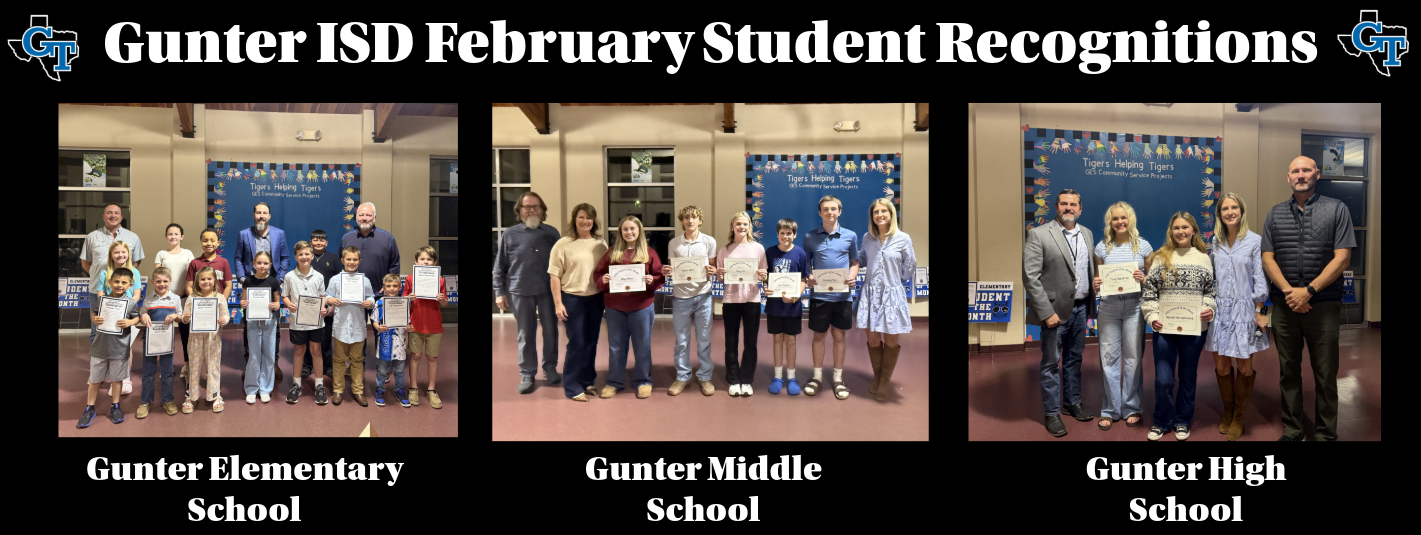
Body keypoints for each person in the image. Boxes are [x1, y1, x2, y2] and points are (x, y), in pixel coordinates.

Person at [1260, 156, 1356, 442]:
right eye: (1295, 171)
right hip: (1285, 304)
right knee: (1288, 371)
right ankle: (1293, 430)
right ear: (1288, 177)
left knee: (1326, 373)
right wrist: (1291, 293)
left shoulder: (1337, 209)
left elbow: (1343, 258)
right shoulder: (1274, 214)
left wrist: (1309, 290)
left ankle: (1326, 434)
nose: (1300, 175)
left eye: (1306, 170)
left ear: (1316, 174)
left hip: (1323, 303)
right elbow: (1268, 257)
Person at [1023, 189, 1098, 437]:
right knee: (1050, 365)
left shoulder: (1086, 233)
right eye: (1064, 204)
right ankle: (1052, 413)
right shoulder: (1039, 234)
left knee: (1074, 360)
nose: (1069, 208)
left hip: (1080, 309)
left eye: (1073, 204)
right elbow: (1030, 277)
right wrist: (1046, 312)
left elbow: (1086, 271)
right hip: (1053, 313)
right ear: (1056, 207)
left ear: (1080, 208)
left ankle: (1071, 402)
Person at [1142, 212, 1217, 442]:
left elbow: (1210, 292)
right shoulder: (1160, 256)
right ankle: (1162, 421)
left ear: (1193, 230)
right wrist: (1152, 316)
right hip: (1164, 328)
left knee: (1187, 377)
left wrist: (1209, 309)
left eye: (1185, 227)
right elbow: (1149, 293)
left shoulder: (1204, 258)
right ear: (1170, 231)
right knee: (1163, 379)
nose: (1181, 232)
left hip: (1195, 329)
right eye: (1176, 228)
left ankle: (1183, 420)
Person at [1204, 193, 1270, 441]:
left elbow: (1259, 277)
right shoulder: (1215, 242)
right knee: (1221, 366)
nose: (1230, 212)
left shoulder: (1254, 241)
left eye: (1234, 208)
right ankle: (1228, 410)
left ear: (1241, 211)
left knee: (1244, 365)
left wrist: (1260, 311)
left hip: (1245, 309)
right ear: (1219, 214)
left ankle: (1239, 416)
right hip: (1220, 311)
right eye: (1225, 209)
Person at [1090, 202, 1153, 431]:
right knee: (1108, 359)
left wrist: (1144, 278)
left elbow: (1152, 279)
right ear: (1110, 222)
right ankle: (1110, 409)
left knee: (1134, 359)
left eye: (1123, 218)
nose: (1120, 222)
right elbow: (1098, 280)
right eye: (1115, 219)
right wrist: (1096, 283)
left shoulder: (1144, 247)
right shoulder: (1101, 248)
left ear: (1130, 220)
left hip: (1135, 306)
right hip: (1109, 307)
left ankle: (1131, 407)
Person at [493, 193, 562, 393]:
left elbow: (561, 264)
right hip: (519, 290)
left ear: (542, 210)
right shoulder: (510, 234)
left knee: (551, 331)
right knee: (525, 333)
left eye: (535, 207)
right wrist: (499, 292)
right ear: (519, 210)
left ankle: (550, 368)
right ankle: (527, 373)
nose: (531, 210)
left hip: (548, 291)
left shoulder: (552, 233)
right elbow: (500, 266)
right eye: (527, 207)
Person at [592, 215, 665, 399]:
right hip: (615, 308)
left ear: (639, 231)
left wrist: (652, 280)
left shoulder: (649, 253)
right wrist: (603, 280)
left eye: (632, 229)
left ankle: (644, 381)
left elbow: (659, 277)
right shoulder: (612, 253)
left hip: (641, 307)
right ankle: (614, 382)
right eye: (625, 229)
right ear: (620, 232)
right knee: (616, 346)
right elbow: (598, 275)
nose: (629, 232)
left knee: (642, 346)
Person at [856, 198, 916, 401]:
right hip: (870, 294)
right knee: (872, 338)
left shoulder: (903, 238)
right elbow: (862, 259)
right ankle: (877, 376)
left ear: (891, 214)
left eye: (884, 211)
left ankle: (885, 380)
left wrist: (897, 280)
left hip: (892, 295)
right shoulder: (867, 237)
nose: (879, 215)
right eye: (876, 212)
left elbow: (910, 266)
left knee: (891, 339)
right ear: (872, 217)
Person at [548, 205, 609, 402]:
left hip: (596, 298)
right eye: (581, 217)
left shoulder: (600, 243)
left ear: (594, 221)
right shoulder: (563, 244)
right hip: (572, 299)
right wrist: (558, 303)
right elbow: (554, 275)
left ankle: (587, 380)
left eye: (589, 218)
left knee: (591, 342)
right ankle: (572, 386)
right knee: (577, 342)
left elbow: (608, 270)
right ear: (575, 219)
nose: (585, 221)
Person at [802, 195, 860, 399]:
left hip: (842, 297)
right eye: (825, 209)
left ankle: (838, 379)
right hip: (819, 296)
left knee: (839, 336)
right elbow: (806, 262)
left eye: (833, 209)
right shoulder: (810, 237)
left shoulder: (850, 236)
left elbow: (855, 261)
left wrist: (852, 277)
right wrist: (808, 275)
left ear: (839, 211)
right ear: (820, 213)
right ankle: (817, 376)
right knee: (819, 336)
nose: (830, 212)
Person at [662, 206, 718, 396]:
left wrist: (713, 270)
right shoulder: (674, 243)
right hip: (681, 297)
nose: (690, 220)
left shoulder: (709, 241)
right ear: (682, 221)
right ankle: (682, 376)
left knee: (704, 339)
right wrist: (668, 271)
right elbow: (673, 268)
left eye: (694, 217)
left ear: (699, 221)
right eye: (686, 217)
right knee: (682, 341)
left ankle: (705, 376)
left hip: (704, 295)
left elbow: (713, 266)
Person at [340, 202, 401, 372]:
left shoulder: (388, 238)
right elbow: (341, 263)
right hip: (355, 297)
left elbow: (394, 265)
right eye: (361, 215)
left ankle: (384, 367)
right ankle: (356, 365)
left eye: (368, 215)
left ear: (374, 217)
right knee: (356, 331)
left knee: (382, 332)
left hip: (379, 295)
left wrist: (387, 285)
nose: (364, 218)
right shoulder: (347, 238)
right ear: (356, 217)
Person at [234, 202, 290, 383]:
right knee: (249, 326)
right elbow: (238, 258)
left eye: (264, 213)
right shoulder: (244, 234)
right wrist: (243, 280)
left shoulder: (279, 234)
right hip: (251, 286)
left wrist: (279, 279)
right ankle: (250, 363)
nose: (261, 216)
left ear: (269, 216)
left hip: (271, 286)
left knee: (274, 327)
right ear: (254, 215)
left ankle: (273, 363)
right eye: (258, 213)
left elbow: (285, 258)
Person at [715, 211, 768, 397]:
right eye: (738, 224)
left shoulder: (758, 248)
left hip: (752, 301)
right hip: (731, 301)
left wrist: (763, 276)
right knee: (731, 342)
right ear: (733, 226)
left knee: (750, 342)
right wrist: (720, 275)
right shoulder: (725, 250)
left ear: (750, 227)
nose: (742, 227)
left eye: (745, 224)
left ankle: (746, 379)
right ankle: (733, 380)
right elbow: (721, 279)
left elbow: (764, 274)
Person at [80, 267, 141, 428]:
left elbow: (137, 318)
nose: (119, 285)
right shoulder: (102, 301)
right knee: (94, 380)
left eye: (123, 282)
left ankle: (115, 405)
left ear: (130, 285)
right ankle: (89, 408)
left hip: (119, 348)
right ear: (110, 282)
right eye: (116, 281)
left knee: (116, 379)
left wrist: (129, 322)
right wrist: (95, 319)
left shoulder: (131, 303)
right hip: (99, 347)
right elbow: (93, 313)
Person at [184, 228, 233, 400]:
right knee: (195, 362)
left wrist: (218, 304)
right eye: (205, 240)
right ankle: (193, 396)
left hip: (213, 321)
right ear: (200, 242)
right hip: (198, 318)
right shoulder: (195, 263)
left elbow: (227, 285)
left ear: (218, 242)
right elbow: (189, 286)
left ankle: (214, 394)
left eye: (212, 240)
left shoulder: (224, 262)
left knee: (213, 362)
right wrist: (195, 303)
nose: (209, 243)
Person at [323, 246, 376, 406]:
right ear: (342, 261)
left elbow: (371, 296)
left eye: (355, 260)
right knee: (339, 360)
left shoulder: (364, 280)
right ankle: (338, 390)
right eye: (348, 259)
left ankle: (358, 390)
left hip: (359, 326)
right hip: (340, 326)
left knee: (357, 360)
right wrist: (329, 300)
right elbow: (327, 295)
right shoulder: (335, 280)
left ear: (359, 261)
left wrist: (370, 302)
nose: (351, 262)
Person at [282, 241, 330, 404]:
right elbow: (285, 296)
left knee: (316, 351)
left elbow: (323, 296)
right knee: (299, 351)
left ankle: (319, 385)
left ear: (312, 256)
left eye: (307, 254)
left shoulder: (319, 276)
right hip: (297, 322)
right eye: (300, 254)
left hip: (316, 322)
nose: (304, 257)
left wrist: (323, 309)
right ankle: (296, 385)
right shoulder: (289, 276)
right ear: (295, 257)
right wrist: (288, 304)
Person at [765, 219, 809, 396]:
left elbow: (804, 279)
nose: (785, 236)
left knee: (790, 340)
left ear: (794, 235)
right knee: (777, 339)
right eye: (782, 233)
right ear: (777, 234)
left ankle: (791, 377)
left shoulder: (800, 253)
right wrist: (765, 287)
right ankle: (777, 376)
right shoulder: (770, 252)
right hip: (775, 305)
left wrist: (797, 295)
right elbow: (764, 277)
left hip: (793, 306)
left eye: (789, 233)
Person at [90, 240, 141, 396]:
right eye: (116, 252)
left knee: (126, 347)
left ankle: (124, 378)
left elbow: (137, 294)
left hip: (126, 315)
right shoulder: (105, 273)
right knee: (105, 345)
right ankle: (104, 376)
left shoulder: (134, 272)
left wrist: (125, 307)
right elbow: (100, 294)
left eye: (123, 252)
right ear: (111, 255)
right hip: (107, 316)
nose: (120, 255)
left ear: (128, 254)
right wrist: (105, 310)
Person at [180, 266, 230, 414]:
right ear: (197, 281)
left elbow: (226, 315)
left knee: (213, 367)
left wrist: (223, 320)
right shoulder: (192, 298)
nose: (206, 281)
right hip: (195, 338)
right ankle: (192, 396)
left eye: (209, 278)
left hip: (213, 339)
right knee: (194, 367)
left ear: (214, 280)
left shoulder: (220, 298)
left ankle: (215, 395)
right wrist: (186, 318)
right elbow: (184, 317)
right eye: (202, 279)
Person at [405, 246, 449, 407]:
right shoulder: (410, 279)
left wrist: (441, 298)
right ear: (416, 262)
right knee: (415, 356)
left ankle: (431, 389)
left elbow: (444, 304)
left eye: (429, 259)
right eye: (422, 259)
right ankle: (413, 387)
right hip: (415, 323)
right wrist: (409, 298)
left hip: (434, 324)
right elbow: (404, 301)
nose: (426, 262)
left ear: (435, 262)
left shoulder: (440, 280)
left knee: (432, 357)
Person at [136, 266, 183, 418]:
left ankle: (167, 399)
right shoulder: (148, 299)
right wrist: (143, 317)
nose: (162, 284)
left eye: (165, 281)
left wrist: (176, 316)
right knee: (148, 372)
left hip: (166, 341)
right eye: (158, 281)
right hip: (149, 340)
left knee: (167, 372)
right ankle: (145, 401)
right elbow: (142, 314)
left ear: (170, 281)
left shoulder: (175, 299)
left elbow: (181, 316)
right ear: (152, 282)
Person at [152, 223, 194, 388]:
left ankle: (186, 364)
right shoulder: (161, 254)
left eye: (176, 234)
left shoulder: (188, 253)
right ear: (166, 237)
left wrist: (179, 294)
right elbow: (158, 276)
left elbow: (190, 276)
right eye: (170, 234)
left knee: (185, 332)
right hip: (165, 298)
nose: (173, 237)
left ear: (182, 236)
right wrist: (168, 295)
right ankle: (166, 365)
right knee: (166, 331)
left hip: (182, 297)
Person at [240, 251, 283, 404]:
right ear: (253, 263)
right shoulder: (248, 281)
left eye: (265, 263)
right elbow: (243, 300)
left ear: (270, 265)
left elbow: (278, 302)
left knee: (270, 355)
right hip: (252, 322)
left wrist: (276, 305)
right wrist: (243, 304)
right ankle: (251, 388)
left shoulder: (273, 281)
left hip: (269, 321)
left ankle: (265, 388)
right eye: (259, 263)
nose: (262, 266)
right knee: (254, 356)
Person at [372, 274, 410, 408]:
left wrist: (409, 327)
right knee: (382, 369)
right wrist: (378, 328)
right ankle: (380, 390)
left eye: (395, 286)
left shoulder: (403, 303)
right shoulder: (379, 303)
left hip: (399, 343)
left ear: (400, 287)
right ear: (383, 288)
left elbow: (407, 321)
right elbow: (374, 321)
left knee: (400, 370)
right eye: (388, 286)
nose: (392, 289)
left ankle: (400, 390)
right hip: (384, 341)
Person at [306, 230, 339, 382]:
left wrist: (333, 305)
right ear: (311, 242)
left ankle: (328, 366)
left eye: (321, 240)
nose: (318, 242)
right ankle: (306, 365)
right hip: (309, 305)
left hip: (327, 304)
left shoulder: (334, 258)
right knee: (307, 336)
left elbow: (339, 283)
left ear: (326, 243)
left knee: (325, 336)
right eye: (315, 239)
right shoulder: (306, 258)